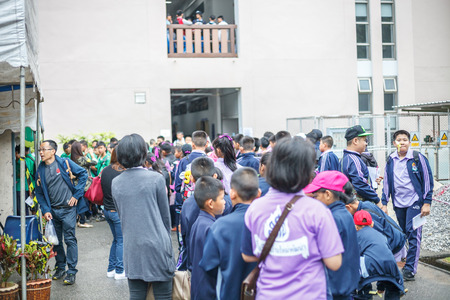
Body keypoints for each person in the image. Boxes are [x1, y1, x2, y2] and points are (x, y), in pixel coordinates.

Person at [241, 137, 343, 299]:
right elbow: (334, 263)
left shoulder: (255, 208)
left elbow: (248, 255)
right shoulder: (317, 211)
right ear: (306, 173)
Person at [112, 134, 175, 299]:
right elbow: (165, 218)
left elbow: (122, 214)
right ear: (142, 153)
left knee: (136, 295)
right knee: (163, 295)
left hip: (132, 246)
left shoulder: (116, 182)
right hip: (157, 245)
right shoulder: (156, 178)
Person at [200, 168, 260, 300]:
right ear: (258, 193)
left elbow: (208, 268)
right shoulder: (268, 223)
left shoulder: (220, 226)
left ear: (232, 193)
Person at [34, 140, 88, 285]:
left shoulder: (64, 163)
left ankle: (71, 271)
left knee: (70, 239)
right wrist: (45, 210)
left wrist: (76, 195)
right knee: (56, 241)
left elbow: (83, 173)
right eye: (40, 150)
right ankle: (60, 267)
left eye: (44, 149)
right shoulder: (39, 170)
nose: (41, 152)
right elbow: (38, 192)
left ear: (53, 151)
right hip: (53, 211)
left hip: (68, 209)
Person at [381, 129, 433, 281]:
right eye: (399, 140)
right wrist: (384, 203)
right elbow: (386, 183)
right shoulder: (390, 159)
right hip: (399, 203)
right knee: (403, 233)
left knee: (413, 233)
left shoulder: (417, 158)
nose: (402, 142)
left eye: (405, 139)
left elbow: (428, 181)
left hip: (415, 202)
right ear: (394, 143)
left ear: (409, 142)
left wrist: (427, 202)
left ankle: (410, 269)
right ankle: (403, 262)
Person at [304, 171, 360, 300]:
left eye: (315, 196)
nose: (313, 199)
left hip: (334, 288)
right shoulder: (344, 214)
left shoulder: (332, 218)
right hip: (345, 284)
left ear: (328, 194)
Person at [179, 157, 232, 271]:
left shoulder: (187, 204)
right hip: (221, 263)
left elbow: (184, 236)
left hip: (194, 262)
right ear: (215, 176)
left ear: (192, 179)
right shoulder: (226, 202)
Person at [353, 210, 405, 299]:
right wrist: (381, 286)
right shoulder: (381, 236)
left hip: (369, 264)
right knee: (393, 287)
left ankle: (364, 295)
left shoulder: (355, 236)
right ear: (372, 224)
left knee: (358, 276)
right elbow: (382, 257)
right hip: (390, 264)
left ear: (355, 227)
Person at [189, 176, 226, 300]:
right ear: (210, 203)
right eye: (222, 198)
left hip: (198, 286)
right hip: (208, 289)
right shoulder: (211, 228)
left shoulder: (198, 222)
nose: (225, 201)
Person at [343, 191, 406, 260]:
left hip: (395, 242)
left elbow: (379, 239)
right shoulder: (366, 204)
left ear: (348, 207)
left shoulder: (365, 215)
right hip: (396, 236)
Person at [340, 125, 386, 212]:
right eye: (365, 140)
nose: (366, 143)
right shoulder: (354, 159)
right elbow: (360, 184)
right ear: (355, 141)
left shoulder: (345, 158)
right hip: (358, 205)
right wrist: (378, 201)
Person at [101, 149, 126, 280]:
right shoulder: (122, 171)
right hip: (118, 211)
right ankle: (120, 271)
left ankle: (111, 268)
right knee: (121, 241)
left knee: (116, 240)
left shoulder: (105, 170)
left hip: (107, 210)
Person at [70, 141, 97, 228]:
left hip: (76, 183)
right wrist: (91, 154)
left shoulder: (73, 159)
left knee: (80, 201)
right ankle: (82, 221)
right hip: (85, 184)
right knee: (83, 203)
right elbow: (95, 162)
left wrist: (85, 155)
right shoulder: (82, 159)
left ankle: (79, 220)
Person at [15, 145, 35, 215]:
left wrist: (18, 160)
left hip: (24, 187)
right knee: (30, 207)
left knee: (22, 209)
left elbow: (27, 174)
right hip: (30, 186)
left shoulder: (26, 160)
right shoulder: (32, 158)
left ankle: (26, 224)